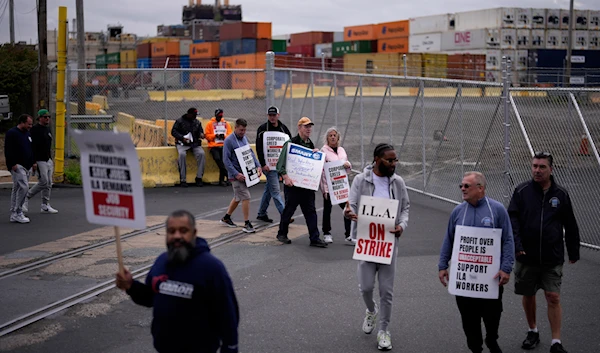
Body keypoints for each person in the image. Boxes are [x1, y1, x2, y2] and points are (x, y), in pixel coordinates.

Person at [115, 210, 239, 353]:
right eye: (172, 231)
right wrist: (131, 286)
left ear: (194, 233)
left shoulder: (211, 267)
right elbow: (151, 298)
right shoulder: (161, 262)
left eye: (183, 231)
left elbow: (228, 315)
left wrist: (230, 348)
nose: (177, 236)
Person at [508, 152, 580, 353]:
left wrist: (573, 250)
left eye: (542, 167)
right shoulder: (522, 191)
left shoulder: (561, 195)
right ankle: (533, 331)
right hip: (526, 255)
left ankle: (556, 342)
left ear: (551, 169)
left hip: (552, 256)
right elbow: (512, 219)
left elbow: (570, 224)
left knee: (553, 296)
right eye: (534, 166)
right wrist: (517, 244)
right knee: (528, 294)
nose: (537, 170)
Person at [438, 171, 515, 353]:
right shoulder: (458, 211)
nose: (462, 189)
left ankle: (491, 338)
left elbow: (508, 240)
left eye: (466, 186)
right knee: (468, 318)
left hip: (490, 278)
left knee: (492, 316)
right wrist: (442, 265)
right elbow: (449, 239)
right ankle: (475, 347)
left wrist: (506, 268)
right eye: (461, 186)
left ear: (480, 188)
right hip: (464, 280)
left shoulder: (496, 210)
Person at [343, 143, 409, 351]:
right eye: (390, 160)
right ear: (377, 159)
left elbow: (405, 207)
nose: (393, 164)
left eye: (395, 160)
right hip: (368, 242)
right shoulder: (361, 180)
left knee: (386, 291)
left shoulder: (398, 182)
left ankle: (384, 331)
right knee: (366, 287)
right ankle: (371, 310)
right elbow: (351, 205)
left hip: (389, 243)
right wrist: (348, 213)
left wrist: (402, 225)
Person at [275, 117, 327, 248]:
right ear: (299, 128)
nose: (309, 129)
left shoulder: (310, 144)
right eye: (306, 126)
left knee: (311, 211)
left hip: (306, 186)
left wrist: (316, 155)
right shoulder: (290, 143)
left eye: (310, 127)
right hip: (293, 185)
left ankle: (314, 238)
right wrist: (286, 177)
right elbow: (280, 165)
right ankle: (282, 233)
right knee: (289, 210)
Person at [220, 118, 262, 233]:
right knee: (246, 196)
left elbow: (250, 153)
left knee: (238, 197)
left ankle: (226, 217)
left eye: (244, 130)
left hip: (245, 173)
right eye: (241, 130)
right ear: (235, 128)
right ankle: (247, 223)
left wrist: (258, 165)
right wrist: (236, 174)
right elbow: (226, 160)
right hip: (236, 175)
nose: (242, 132)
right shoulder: (229, 141)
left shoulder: (244, 138)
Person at [255, 106, 292, 223]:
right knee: (275, 191)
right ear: (267, 116)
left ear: (278, 115)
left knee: (269, 190)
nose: (272, 117)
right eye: (270, 115)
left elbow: (290, 144)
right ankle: (285, 215)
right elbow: (259, 148)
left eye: (274, 115)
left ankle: (261, 213)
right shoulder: (262, 129)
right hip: (268, 167)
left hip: (279, 165)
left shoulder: (283, 129)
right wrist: (263, 164)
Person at [319, 126, 352, 244]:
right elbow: (322, 172)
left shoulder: (342, 150)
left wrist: (348, 165)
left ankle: (349, 234)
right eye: (330, 135)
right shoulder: (323, 151)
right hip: (329, 186)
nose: (333, 137)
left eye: (334, 135)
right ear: (327, 138)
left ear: (338, 137)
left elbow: (346, 168)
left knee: (348, 209)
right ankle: (326, 233)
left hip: (341, 186)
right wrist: (325, 190)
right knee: (327, 210)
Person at [23, 109, 58, 214]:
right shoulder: (34, 130)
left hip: (48, 159)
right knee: (43, 182)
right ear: (39, 118)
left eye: (48, 117)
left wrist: (51, 159)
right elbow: (32, 146)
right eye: (45, 117)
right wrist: (33, 161)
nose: (47, 118)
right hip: (39, 159)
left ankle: (45, 205)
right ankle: (26, 197)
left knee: (48, 184)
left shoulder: (47, 129)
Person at [4, 114, 35, 224]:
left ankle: (14, 213)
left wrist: (33, 162)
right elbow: (8, 149)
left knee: (17, 188)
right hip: (17, 165)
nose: (30, 126)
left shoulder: (27, 133)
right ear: (22, 122)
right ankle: (18, 210)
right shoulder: (12, 133)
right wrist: (12, 164)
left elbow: (30, 148)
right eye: (28, 124)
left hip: (27, 165)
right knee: (24, 187)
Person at [171, 107, 206, 187]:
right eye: (194, 115)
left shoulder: (197, 122)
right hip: (182, 144)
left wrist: (201, 134)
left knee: (201, 154)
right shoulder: (179, 121)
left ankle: (199, 177)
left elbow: (200, 131)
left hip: (194, 144)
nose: (195, 117)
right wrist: (182, 138)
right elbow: (173, 131)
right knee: (182, 155)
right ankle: (183, 179)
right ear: (189, 114)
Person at [205, 108, 233, 186]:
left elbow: (230, 135)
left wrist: (224, 136)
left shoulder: (226, 123)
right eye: (218, 116)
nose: (219, 118)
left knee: (224, 161)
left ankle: (222, 180)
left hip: (223, 145)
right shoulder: (210, 124)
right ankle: (228, 176)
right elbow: (207, 136)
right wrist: (215, 136)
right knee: (218, 160)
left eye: (220, 116)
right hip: (214, 146)